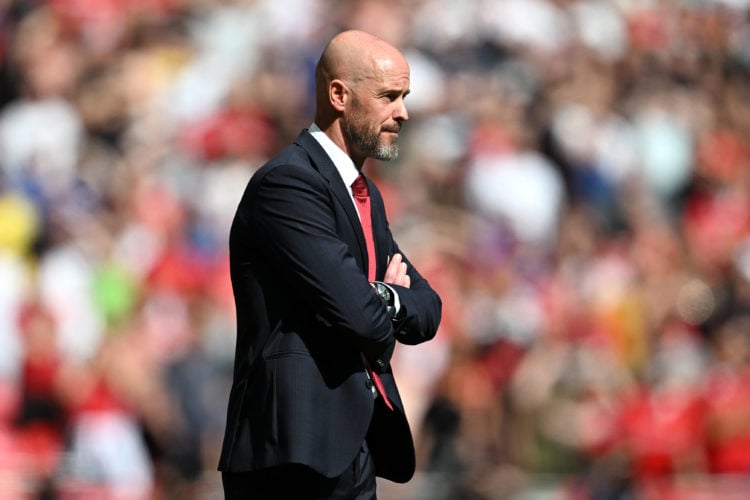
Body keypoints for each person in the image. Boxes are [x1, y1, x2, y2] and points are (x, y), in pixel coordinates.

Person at [218, 30, 442, 499]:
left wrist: (378, 296)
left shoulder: (364, 195)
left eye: (403, 97)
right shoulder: (288, 185)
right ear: (339, 95)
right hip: (292, 451)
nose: (402, 112)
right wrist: (375, 300)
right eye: (388, 96)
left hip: (349, 445)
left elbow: (427, 310)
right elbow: (364, 320)